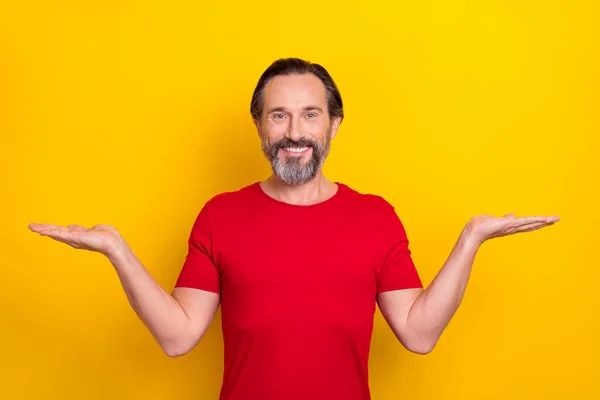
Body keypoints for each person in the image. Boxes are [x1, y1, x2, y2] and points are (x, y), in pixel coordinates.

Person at [28, 58, 559, 400]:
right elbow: (177, 336)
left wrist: (471, 239)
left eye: (310, 114)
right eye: (279, 116)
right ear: (259, 126)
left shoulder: (375, 216)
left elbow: (418, 334)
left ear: (333, 124)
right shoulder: (220, 215)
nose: (295, 132)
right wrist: (117, 249)